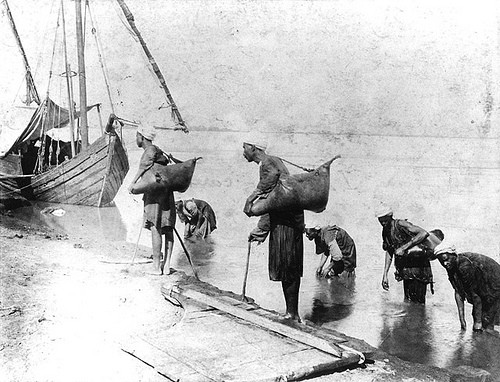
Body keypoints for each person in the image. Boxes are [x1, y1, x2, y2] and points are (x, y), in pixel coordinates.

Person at [243, 138, 305, 322]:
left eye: (244, 147)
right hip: (288, 221)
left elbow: (271, 183)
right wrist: (261, 230)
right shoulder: (274, 160)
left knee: (288, 268)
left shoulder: (268, 163)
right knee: (288, 268)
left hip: (286, 224)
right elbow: (273, 200)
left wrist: (251, 198)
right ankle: (292, 312)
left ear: (253, 147)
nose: (243, 151)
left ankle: (292, 314)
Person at [128, 124, 182, 275]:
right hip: (166, 191)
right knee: (168, 226)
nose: (136, 139)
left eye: (137, 136)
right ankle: (167, 265)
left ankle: (156, 266)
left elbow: (142, 168)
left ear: (142, 137)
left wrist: (132, 183)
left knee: (156, 227)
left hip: (154, 194)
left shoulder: (149, 150)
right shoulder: (159, 151)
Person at [432, 244, 500, 335]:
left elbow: (476, 295)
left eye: (446, 259)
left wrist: (477, 323)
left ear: (453, 255)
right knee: (482, 317)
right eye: (441, 261)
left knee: (487, 319)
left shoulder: (464, 265)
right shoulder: (450, 265)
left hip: (493, 284)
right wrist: (462, 319)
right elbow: (458, 291)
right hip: (483, 286)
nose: (444, 263)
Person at [377, 206, 440, 303]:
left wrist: (403, 247)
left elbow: (423, 233)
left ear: (390, 216)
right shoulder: (385, 230)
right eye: (380, 220)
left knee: (418, 302)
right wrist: (385, 274)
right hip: (405, 269)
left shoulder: (401, 224)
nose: (382, 222)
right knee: (408, 300)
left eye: (384, 219)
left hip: (419, 267)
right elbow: (389, 251)